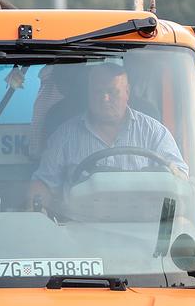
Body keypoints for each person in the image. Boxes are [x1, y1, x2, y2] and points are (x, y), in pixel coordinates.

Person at [27, 61, 186, 216]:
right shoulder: (64, 137)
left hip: (146, 231)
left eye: (113, 91)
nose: (105, 98)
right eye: (98, 91)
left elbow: (179, 180)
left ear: (127, 92)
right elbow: (42, 185)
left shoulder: (154, 133)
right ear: (88, 93)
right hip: (78, 232)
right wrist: (36, 214)